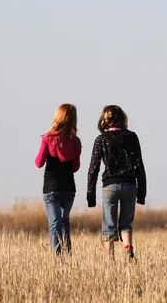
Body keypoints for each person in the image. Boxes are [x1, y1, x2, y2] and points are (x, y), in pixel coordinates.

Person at [87, 105, 146, 260]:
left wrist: (90, 195)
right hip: (129, 185)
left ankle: (110, 260)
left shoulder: (101, 140)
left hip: (110, 186)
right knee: (126, 224)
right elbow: (139, 165)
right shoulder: (132, 137)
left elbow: (93, 168)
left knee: (109, 225)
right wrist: (142, 193)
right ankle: (128, 247)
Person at [35, 103, 81, 254]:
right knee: (64, 222)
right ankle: (67, 255)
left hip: (51, 188)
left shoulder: (48, 138)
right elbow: (75, 167)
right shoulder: (75, 141)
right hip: (68, 188)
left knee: (54, 224)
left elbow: (39, 163)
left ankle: (57, 259)